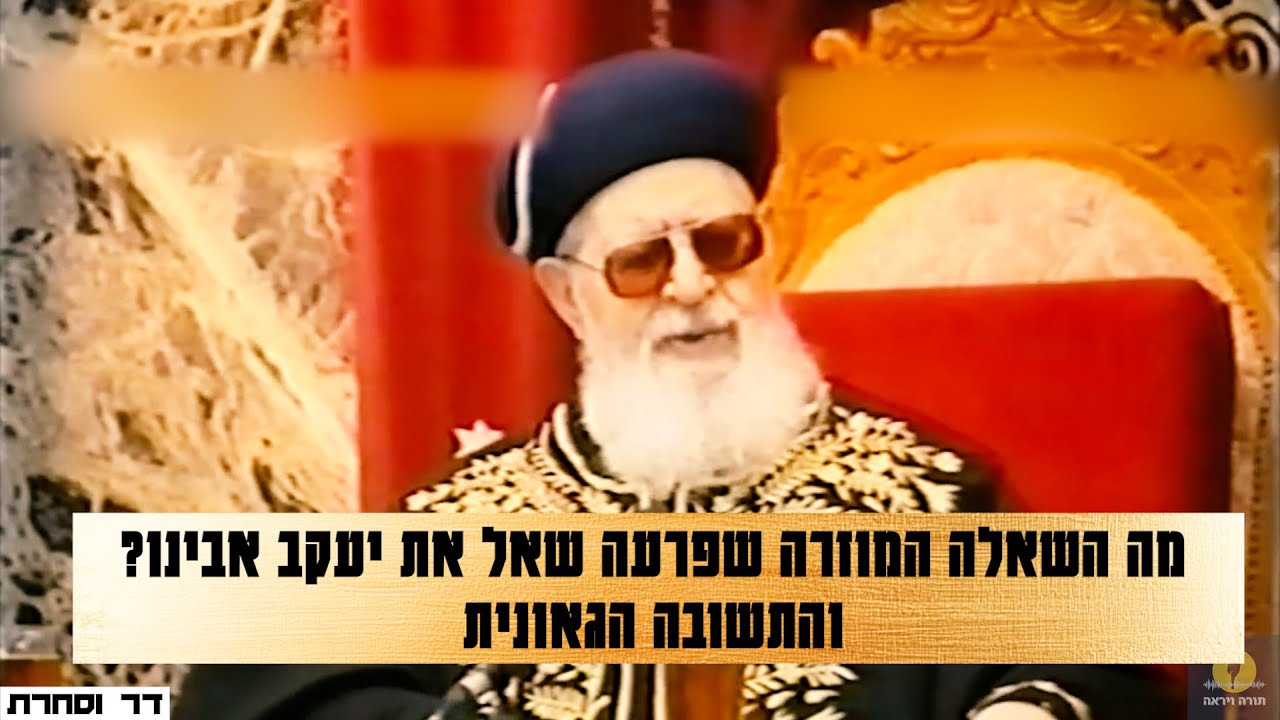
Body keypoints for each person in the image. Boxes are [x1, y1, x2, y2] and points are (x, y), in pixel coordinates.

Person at [176, 49, 1175, 720]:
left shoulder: (919, 490)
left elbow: (1087, 664)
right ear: (567, 300)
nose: (693, 288)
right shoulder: (477, 519)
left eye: (722, 244)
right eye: (643, 262)